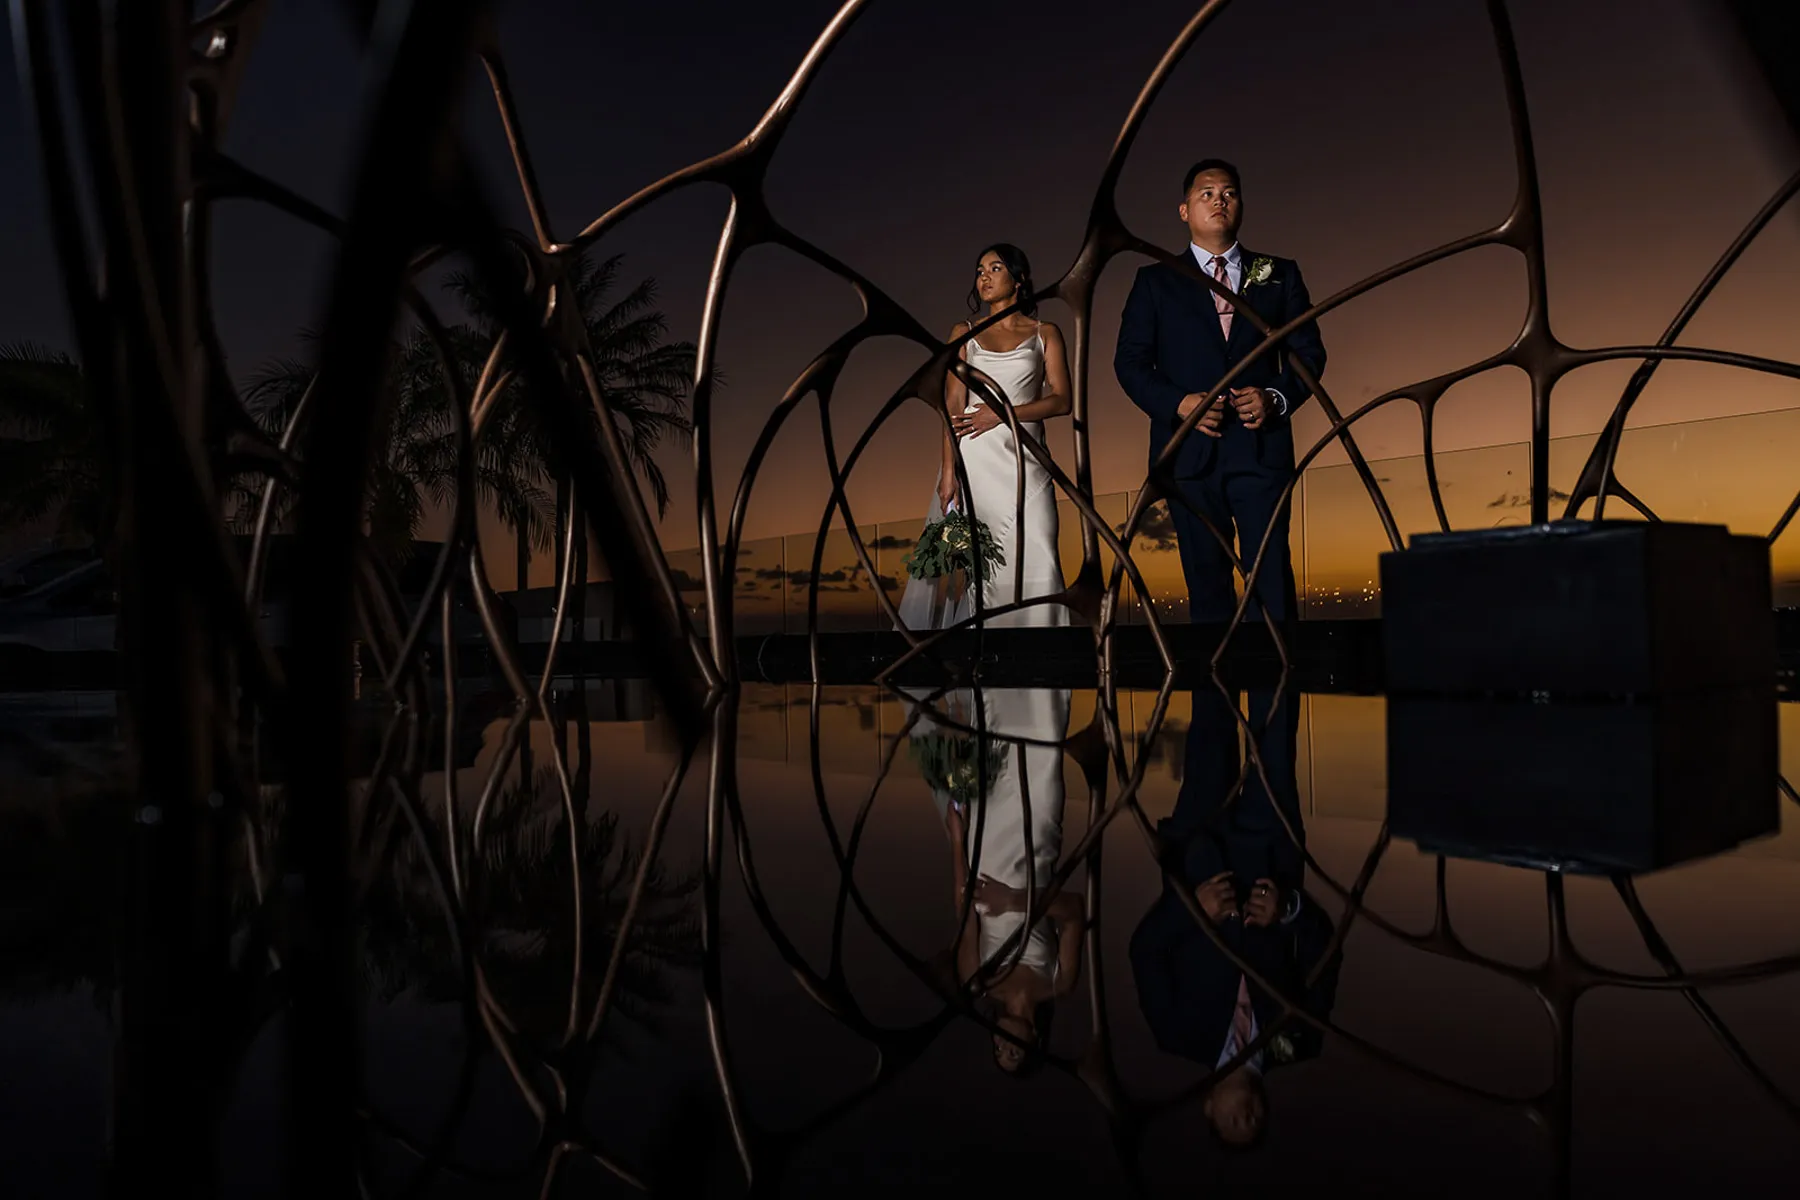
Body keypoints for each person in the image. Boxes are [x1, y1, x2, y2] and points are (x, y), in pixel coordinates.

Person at [1113, 160, 1326, 626]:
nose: (1219, 200)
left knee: (1271, 585)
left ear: (1241, 206)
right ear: (1184, 210)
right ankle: (1215, 695)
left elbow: (1308, 353)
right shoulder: (1154, 281)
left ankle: (1279, 690)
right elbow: (1129, 364)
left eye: (1229, 193)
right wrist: (1181, 404)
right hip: (1190, 455)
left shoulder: (1279, 273)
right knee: (1207, 593)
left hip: (1261, 450)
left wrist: (1275, 396)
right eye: (1206, 193)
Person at [1129, 688, 1342, 1150]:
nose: (1247, 1120)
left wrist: (1195, 910)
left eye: (1233, 1126)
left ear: (1208, 1106)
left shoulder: (1175, 1035)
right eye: (1256, 1125)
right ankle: (1270, 627)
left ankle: (1214, 621)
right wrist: (1288, 910)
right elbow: (1325, 952)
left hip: (1199, 853)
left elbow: (1145, 952)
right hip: (1270, 853)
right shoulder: (1301, 1041)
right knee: (1275, 732)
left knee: (1211, 720)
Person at [896, 244, 1073, 630]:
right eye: (980, 271)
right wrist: (948, 471)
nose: (985, 277)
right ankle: (989, 664)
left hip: (1027, 461)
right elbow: (952, 405)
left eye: (995, 268)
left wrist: (1003, 414)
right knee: (983, 566)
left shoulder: (1047, 333)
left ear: (1019, 279)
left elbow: (1062, 401)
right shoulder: (964, 333)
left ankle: (1044, 655)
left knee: (1039, 547)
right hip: (975, 461)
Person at [914, 688, 1083, 1075]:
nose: (1004, 1045)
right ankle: (1040, 641)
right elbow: (1074, 911)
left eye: (998, 1051)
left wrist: (958, 843)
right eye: (1014, 1053)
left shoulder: (978, 982)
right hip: (1036, 841)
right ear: (1036, 1042)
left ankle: (991, 662)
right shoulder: (1061, 983)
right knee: (1044, 741)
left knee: (988, 734)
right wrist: (1013, 902)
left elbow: (964, 909)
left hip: (985, 848)